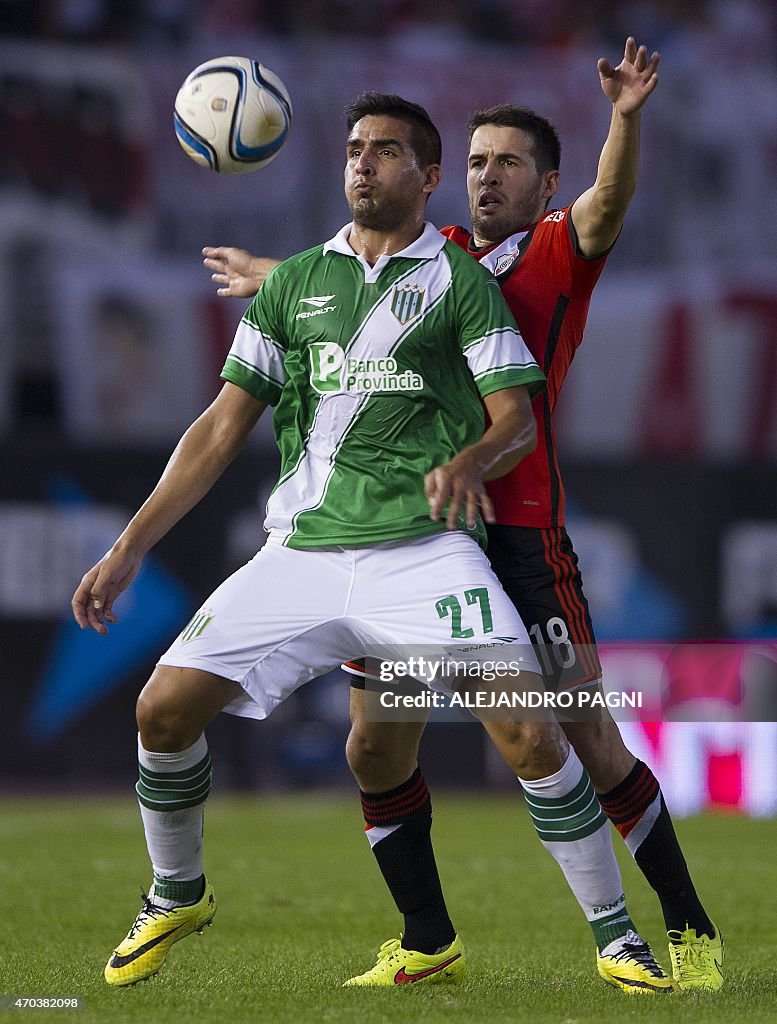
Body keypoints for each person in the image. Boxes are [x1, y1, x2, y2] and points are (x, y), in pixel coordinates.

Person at [72, 92, 630, 992]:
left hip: (423, 550)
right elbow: (220, 426)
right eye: (354, 149)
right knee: (160, 713)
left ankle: (617, 939)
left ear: (427, 176)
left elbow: (516, 420)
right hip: (302, 552)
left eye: (386, 151)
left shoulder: (462, 284)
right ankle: (176, 891)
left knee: (529, 732)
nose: (363, 163)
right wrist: (129, 546)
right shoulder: (295, 283)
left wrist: (471, 460)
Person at [202, 39, 722, 994]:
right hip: (420, 539)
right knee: (374, 739)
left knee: (586, 736)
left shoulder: (563, 247)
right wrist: (269, 272)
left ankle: (686, 927)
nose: (487, 177)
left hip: (520, 536)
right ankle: (425, 937)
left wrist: (627, 116)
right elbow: (354, 281)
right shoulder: (436, 255)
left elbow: (610, 202)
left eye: (508, 163)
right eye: (476, 162)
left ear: (545, 181)